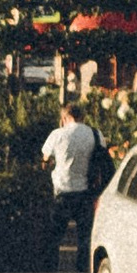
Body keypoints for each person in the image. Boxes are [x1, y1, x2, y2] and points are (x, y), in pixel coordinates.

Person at [43, 89, 104, 263]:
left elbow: (45, 159)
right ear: (82, 117)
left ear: (65, 118)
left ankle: (51, 265)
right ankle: (82, 266)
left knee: (55, 234)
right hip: (86, 191)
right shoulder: (95, 134)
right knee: (85, 235)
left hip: (62, 190)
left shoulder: (57, 134)